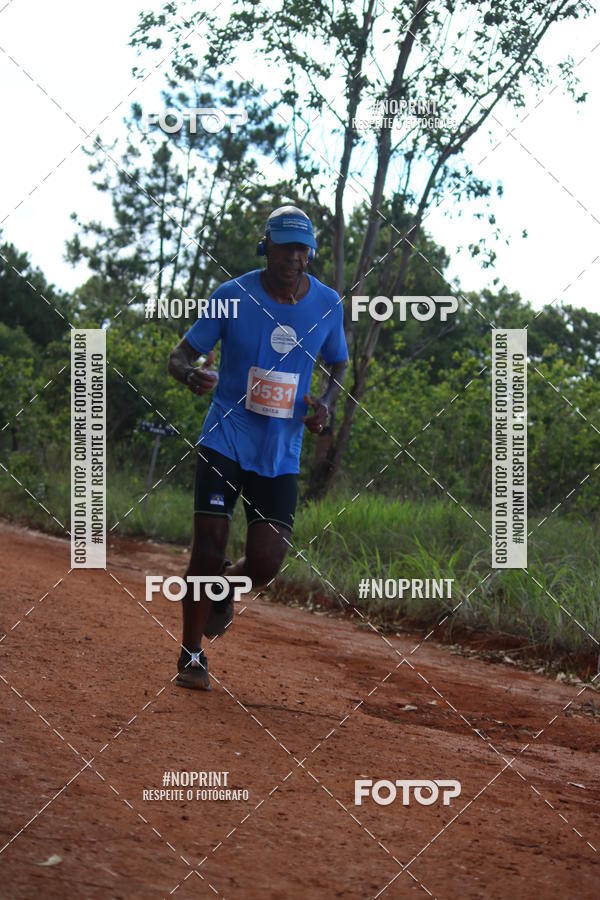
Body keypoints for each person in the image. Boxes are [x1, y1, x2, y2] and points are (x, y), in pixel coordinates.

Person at [167, 206, 349, 690]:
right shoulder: (231, 296)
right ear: (265, 246)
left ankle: (222, 589)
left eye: (301, 247)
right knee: (208, 549)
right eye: (285, 245)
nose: (293, 256)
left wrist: (325, 405)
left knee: (266, 564)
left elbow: (337, 366)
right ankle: (190, 654)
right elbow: (180, 354)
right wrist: (190, 374)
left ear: (310, 253)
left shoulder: (328, 305)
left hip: (281, 451)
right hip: (225, 439)